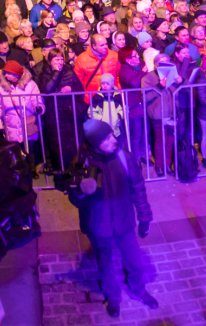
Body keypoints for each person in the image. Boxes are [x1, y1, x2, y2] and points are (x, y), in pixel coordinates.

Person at [62, 119, 158, 319]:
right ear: (96, 144)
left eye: (111, 135)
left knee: (135, 262)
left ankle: (138, 290)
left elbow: (137, 187)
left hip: (124, 223)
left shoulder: (124, 157)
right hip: (99, 227)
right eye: (106, 139)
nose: (113, 140)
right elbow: (75, 200)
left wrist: (145, 216)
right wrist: (79, 192)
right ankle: (112, 297)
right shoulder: (81, 162)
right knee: (105, 265)